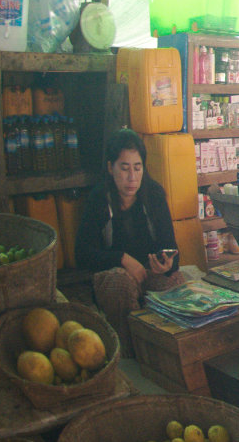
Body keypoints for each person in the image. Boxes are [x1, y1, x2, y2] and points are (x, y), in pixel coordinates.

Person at [77, 128, 185, 346]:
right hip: (114, 277)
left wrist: (167, 264)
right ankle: (128, 346)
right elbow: (82, 254)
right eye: (124, 168)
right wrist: (122, 259)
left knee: (178, 283)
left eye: (137, 168)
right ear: (110, 167)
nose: (132, 177)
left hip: (149, 274)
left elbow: (171, 246)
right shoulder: (99, 199)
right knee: (120, 282)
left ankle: (162, 346)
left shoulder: (154, 195)